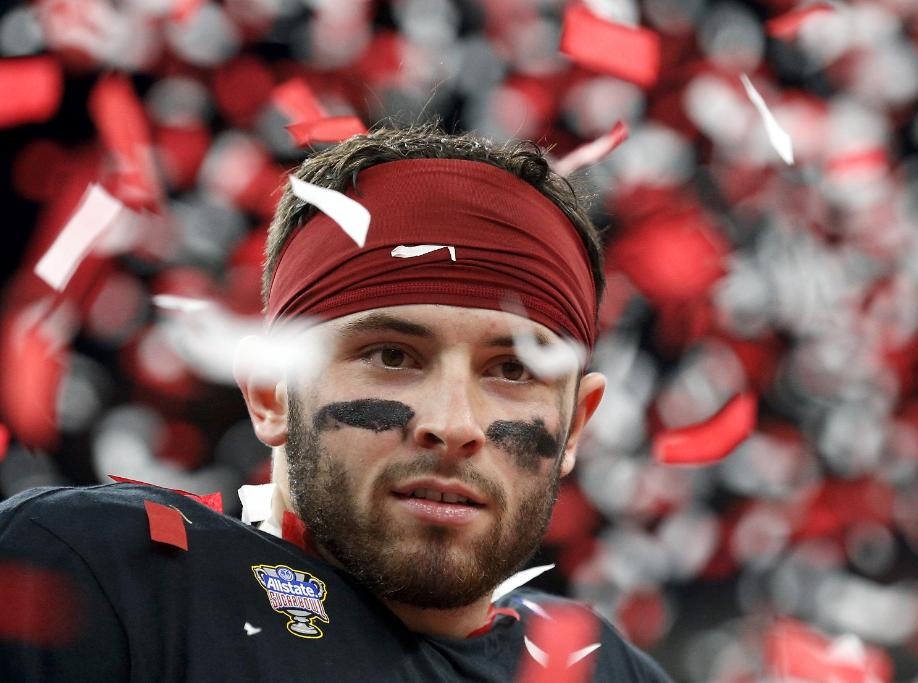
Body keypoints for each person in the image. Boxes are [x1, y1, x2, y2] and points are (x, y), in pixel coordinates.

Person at [0, 123, 674, 682]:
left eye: (513, 369)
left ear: (575, 424)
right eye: (392, 356)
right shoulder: (103, 576)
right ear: (271, 391)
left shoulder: (604, 668)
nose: (452, 424)